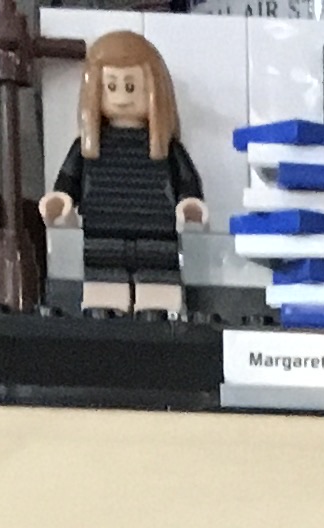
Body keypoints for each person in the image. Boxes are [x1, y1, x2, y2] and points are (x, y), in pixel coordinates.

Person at [34, 28, 202, 314]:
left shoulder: (166, 147)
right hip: (102, 224)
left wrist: (190, 203)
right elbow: (69, 180)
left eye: (131, 87)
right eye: (111, 87)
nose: (122, 97)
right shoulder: (87, 147)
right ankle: (104, 305)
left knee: (158, 272)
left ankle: (158, 306)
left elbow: (186, 180)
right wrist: (61, 199)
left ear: (154, 89)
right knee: (103, 271)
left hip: (157, 227)